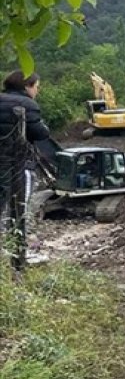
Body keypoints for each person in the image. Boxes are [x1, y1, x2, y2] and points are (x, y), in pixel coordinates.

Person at [0, 70, 52, 268]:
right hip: (19, 164)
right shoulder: (27, 104)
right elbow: (40, 133)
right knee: (19, 211)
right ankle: (18, 258)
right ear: (27, 87)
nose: (37, 91)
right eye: (36, 87)